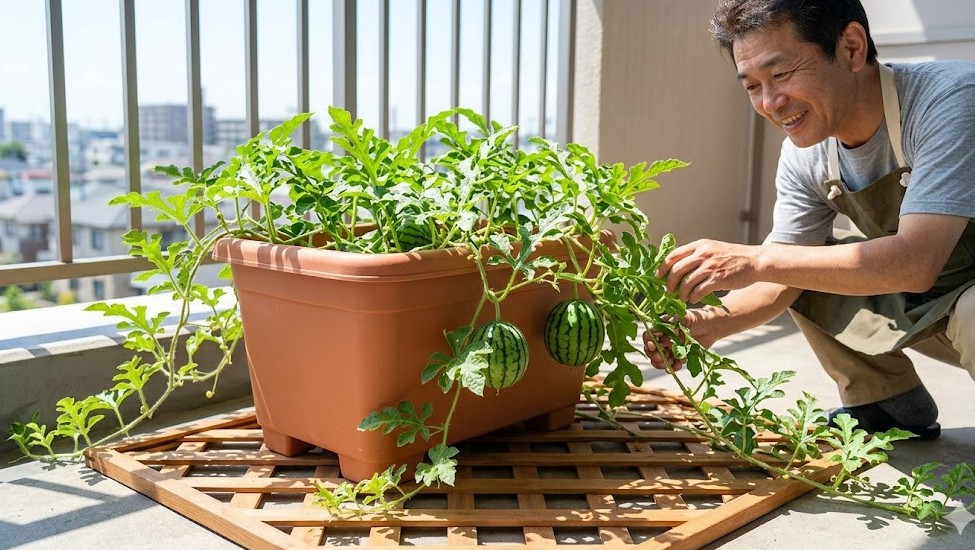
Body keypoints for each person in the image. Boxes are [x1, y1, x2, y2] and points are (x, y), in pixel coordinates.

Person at [643, 0, 975, 440]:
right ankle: (887, 402)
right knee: (799, 264)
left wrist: (757, 260)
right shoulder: (808, 154)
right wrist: (710, 323)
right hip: (937, 297)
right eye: (752, 86)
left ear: (852, 48)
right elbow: (781, 276)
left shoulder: (949, 100)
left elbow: (915, 262)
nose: (770, 103)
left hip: (956, 298)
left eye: (781, 75)